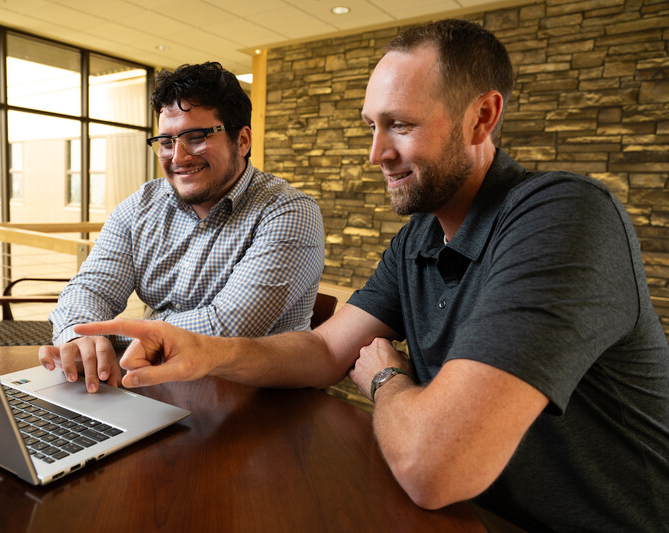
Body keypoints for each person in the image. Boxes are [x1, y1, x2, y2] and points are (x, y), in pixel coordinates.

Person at [41, 20, 669, 532]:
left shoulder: (564, 215)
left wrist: (385, 377)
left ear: (482, 119)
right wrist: (203, 350)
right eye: (373, 126)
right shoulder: (420, 237)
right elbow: (322, 349)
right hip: (463, 514)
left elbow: (433, 465)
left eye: (401, 125)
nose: (376, 154)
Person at [41, 62, 325, 393]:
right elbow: (90, 289)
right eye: (166, 141)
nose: (179, 156)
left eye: (196, 137)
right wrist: (78, 334)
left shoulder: (289, 212)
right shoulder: (142, 205)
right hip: (154, 386)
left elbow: (226, 327)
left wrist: (101, 331)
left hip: (258, 403)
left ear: (243, 140)